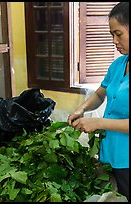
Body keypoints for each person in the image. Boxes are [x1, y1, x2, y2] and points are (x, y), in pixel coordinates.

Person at [67, 2, 129, 201]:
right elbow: (101, 93)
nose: (114, 40)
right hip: (109, 153)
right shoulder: (119, 64)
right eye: (112, 34)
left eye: (118, 34)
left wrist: (98, 123)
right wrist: (82, 108)